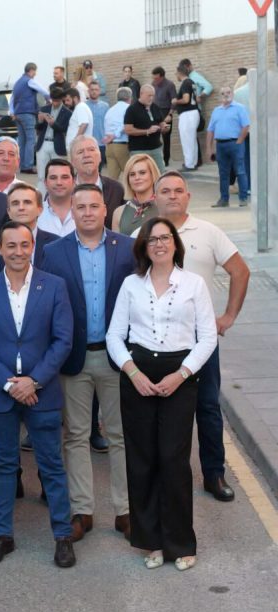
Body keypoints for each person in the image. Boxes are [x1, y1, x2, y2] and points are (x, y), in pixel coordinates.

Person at [106, 216, 217, 571]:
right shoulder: (131, 285)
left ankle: (181, 542)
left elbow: (208, 338)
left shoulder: (194, 284)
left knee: (173, 459)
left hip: (179, 377)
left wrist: (182, 375)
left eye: (165, 238)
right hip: (137, 376)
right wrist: (132, 372)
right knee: (142, 461)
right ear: (143, 246)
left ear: (175, 243)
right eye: (152, 239)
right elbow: (114, 336)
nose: (159, 244)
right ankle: (151, 542)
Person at [0, 221, 75, 568]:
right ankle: (3, 535)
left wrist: (34, 381)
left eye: (24, 245)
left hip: (42, 393)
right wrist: (10, 384)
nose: (18, 252)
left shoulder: (54, 286)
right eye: (11, 245)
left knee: (51, 465)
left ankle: (62, 535)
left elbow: (63, 340)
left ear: (33, 247)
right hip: (0, 394)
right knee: (3, 464)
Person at [42, 185, 136, 543]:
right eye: (80, 207)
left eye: (93, 206)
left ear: (104, 209)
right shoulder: (54, 252)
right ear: (72, 211)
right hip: (74, 358)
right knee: (76, 435)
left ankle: (125, 510)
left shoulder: (127, 248)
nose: (87, 212)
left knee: (120, 435)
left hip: (116, 358)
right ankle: (82, 510)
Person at [155, 172, 250, 503]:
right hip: (158, 340)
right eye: (165, 191)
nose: (172, 196)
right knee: (163, 409)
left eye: (178, 190)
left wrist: (228, 316)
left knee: (207, 407)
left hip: (201, 338)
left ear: (188, 196)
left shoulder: (209, 232)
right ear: (155, 198)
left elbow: (240, 271)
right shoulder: (144, 234)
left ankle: (214, 474)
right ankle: (166, 475)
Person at [0, 183, 59, 281]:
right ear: (9, 212)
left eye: (27, 202)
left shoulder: (56, 243)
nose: (21, 207)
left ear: (40, 210)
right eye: (15, 203)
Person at [205, 86, 250, 208]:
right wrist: (209, 148)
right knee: (223, 173)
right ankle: (224, 200)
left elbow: (246, 126)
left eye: (228, 92)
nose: (226, 95)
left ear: (232, 94)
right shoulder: (216, 111)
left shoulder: (240, 108)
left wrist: (239, 141)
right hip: (220, 145)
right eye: (223, 93)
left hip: (235, 143)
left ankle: (243, 198)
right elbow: (210, 130)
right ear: (220, 96)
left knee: (240, 171)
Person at [70, 135, 125, 216]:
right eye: (80, 152)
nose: (86, 155)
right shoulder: (63, 190)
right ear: (72, 162)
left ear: (100, 157)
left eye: (91, 150)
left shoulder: (116, 189)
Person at [10, 62, 50, 174]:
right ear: (31, 70)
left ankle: (22, 165)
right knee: (31, 140)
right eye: (35, 71)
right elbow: (43, 90)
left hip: (18, 114)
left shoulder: (17, 83)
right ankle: (28, 166)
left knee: (22, 140)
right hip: (27, 113)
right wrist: (49, 98)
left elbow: (12, 99)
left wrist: (12, 112)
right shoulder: (29, 81)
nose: (35, 74)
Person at [124, 84, 169, 174]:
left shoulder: (155, 107)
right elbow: (128, 130)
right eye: (149, 95)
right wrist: (147, 131)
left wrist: (164, 127)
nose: (151, 98)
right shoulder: (132, 109)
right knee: (141, 174)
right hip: (139, 150)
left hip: (156, 148)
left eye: (153, 96)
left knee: (160, 174)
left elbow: (161, 122)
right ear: (141, 94)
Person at [111, 153, 161, 235]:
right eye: (132, 174)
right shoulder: (119, 212)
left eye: (142, 172)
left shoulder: (165, 208)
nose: (137, 178)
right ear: (128, 180)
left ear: (153, 175)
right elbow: (116, 243)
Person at [35, 88, 72, 187]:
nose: (55, 103)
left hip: (58, 145)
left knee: (57, 173)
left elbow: (64, 129)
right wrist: (40, 121)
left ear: (62, 99)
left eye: (57, 101)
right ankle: (42, 195)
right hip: (43, 143)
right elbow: (38, 128)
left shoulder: (68, 113)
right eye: (53, 100)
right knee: (41, 175)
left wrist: (53, 124)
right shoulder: (44, 109)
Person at [37, 159, 77, 237]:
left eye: (64, 177)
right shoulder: (35, 214)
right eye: (53, 178)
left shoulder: (85, 212)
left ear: (74, 182)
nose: (59, 182)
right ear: (45, 183)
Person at [172, 66, 200, 171]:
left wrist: (175, 101)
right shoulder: (191, 82)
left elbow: (186, 99)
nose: (176, 75)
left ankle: (189, 164)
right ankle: (193, 162)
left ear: (180, 73)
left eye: (176, 73)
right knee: (192, 139)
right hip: (193, 113)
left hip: (188, 114)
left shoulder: (185, 83)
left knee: (187, 140)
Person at [103, 87, 132, 182]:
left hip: (109, 147)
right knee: (130, 175)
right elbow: (125, 125)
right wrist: (116, 134)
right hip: (122, 145)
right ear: (129, 98)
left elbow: (105, 126)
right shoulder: (128, 108)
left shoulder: (110, 110)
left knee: (112, 180)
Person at [150, 67, 178, 166]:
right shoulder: (153, 84)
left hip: (166, 113)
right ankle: (156, 159)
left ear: (162, 76)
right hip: (155, 112)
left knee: (166, 138)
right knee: (154, 136)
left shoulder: (170, 85)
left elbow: (174, 101)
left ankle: (166, 161)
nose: (154, 80)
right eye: (153, 78)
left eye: (156, 78)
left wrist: (170, 114)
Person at [87, 82, 110, 161]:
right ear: (88, 91)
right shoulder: (84, 106)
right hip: (88, 142)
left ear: (99, 91)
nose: (94, 92)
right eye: (92, 89)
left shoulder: (105, 106)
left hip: (101, 143)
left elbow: (108, 123)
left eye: (96, 90)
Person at [65, 88, 92, 152]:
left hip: (79, 148)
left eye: (68, 100)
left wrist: (75, 142)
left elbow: (84, 124)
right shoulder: (80, 107)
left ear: (75, 98)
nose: (66, 103)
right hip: (78, 148)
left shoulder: (81, 107)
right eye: (65, 101)